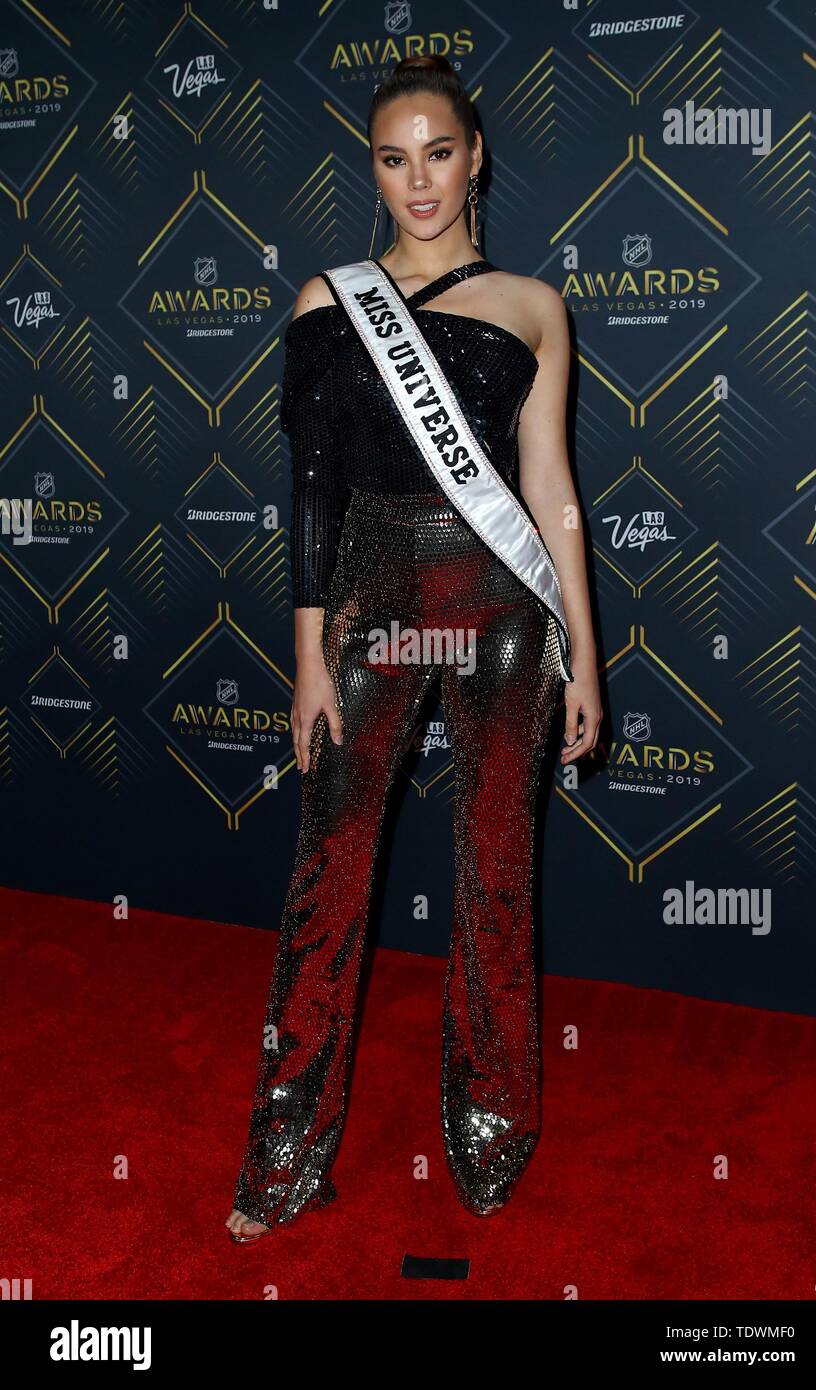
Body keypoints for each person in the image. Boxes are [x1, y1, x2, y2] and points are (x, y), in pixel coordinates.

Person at [225, 54, 601, 1243]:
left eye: (438, 152)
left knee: (495, 874)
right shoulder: (324, 303)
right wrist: (306, 655)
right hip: (366, 596)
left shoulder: (534, 304)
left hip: (501, 608)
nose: (418, 180)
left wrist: (581, 653)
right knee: (328, 881)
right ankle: (284, 1157)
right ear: (373, 169)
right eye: (394, 158)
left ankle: (491, 1132)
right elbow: (312, 493)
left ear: (474, 154)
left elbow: (551, 495)